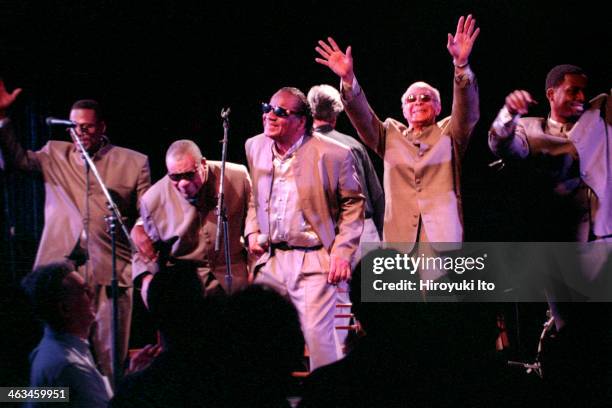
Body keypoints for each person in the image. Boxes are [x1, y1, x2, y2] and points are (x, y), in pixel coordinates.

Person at [0, 81, 151, 380]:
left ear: (102, 127)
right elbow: (16, 159)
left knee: (110, 360)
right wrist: (3, 119)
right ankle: (48, 397)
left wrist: (140, 234)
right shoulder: (54, 153)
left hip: (110, 271)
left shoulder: (133, 162)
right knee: (59, 352)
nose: (81, 132)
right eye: (75, 126)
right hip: (62, 272)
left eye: (88, 127)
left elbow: (146, 214)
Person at [488, 64, 612, 404]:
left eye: (583, 91)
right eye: (572, 90)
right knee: (570, 332)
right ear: (551, 93)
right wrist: (508, 113)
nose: (581, 97)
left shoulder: (602, 120)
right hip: (559, 245)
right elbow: (502, 145)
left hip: (604, 239)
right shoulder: (530, 128)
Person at [314, 15, 480, 266]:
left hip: (443, 240)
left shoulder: (450, 133)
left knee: (441, 303)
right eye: (411, 99)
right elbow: (364, 119)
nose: (418, 102)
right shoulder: (390, 134)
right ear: (403, 110)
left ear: (438, 107)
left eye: (425, 98)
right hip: (399, 243)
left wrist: (461, 65)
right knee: (404, 303)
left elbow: (467, 111)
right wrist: (348, 80)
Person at [245, 86, 364, 370]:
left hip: (312, 258)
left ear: (302, 121)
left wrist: (342, 252)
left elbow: (353, 204)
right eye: (267, 108)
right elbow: (254, 195)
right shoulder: (255, 146)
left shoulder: (335, 154)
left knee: (320, 341)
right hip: (271, 258)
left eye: (279, 112)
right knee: (259, 338)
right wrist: (251, 231)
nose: (269, 117)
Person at [131, 139, 252, 302]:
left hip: (237, 283)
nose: (184, 184)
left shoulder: (237, 177)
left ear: (203, 163)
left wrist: (255, 269)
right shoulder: (152, 200)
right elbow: (146, 252)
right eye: (175, 177)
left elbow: (255, 222)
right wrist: (147, 280)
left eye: (189, 175)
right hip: (187, 292)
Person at [21, 262, 113, 407]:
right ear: (65, 309)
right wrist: (134, 383)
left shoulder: (52, 350)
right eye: (84, 291)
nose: (92, 294)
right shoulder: (69, 367)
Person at [307, 84, 384, 252]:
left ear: (310, 112)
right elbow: (376, 195)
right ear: (336, 114)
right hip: (363, 230)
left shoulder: (300, 149)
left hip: (321, 235)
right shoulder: (353, 145)